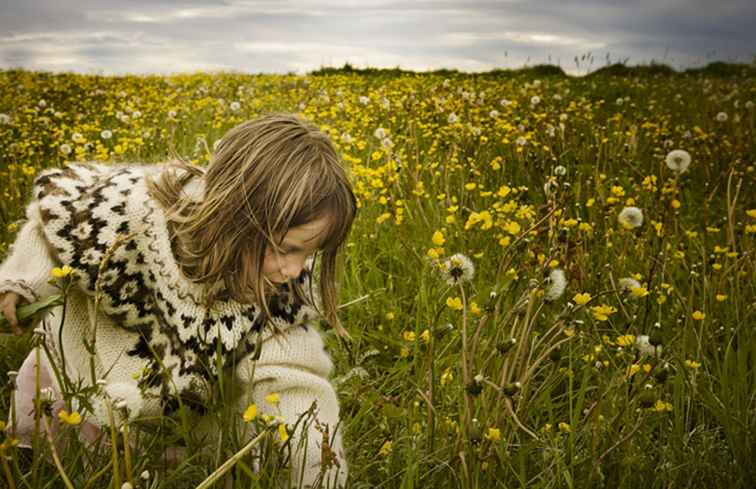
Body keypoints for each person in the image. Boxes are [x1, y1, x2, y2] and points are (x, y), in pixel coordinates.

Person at [0, 112, 356, 487]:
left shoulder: (278, 293)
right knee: (32, 467)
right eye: (287, 249)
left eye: (309, 254)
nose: (297, 269)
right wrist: (23, 282)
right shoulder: (131, 211)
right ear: (234, 217)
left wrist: (317, 470)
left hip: (163, 424)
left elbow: (295, 384)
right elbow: (56, 220)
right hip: (70, 383)